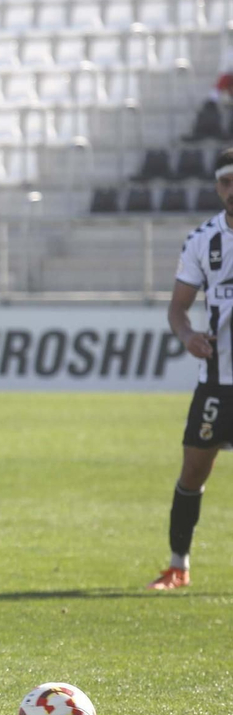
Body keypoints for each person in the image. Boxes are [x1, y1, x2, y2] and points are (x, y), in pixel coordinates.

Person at [155, 146, 233, 590]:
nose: (232, 190)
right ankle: (177, 565)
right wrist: (188, 338)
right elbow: (178, 310)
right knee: (192, 473)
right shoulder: (203, 240)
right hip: (218, 384)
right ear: (217, 186)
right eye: (225, 182)